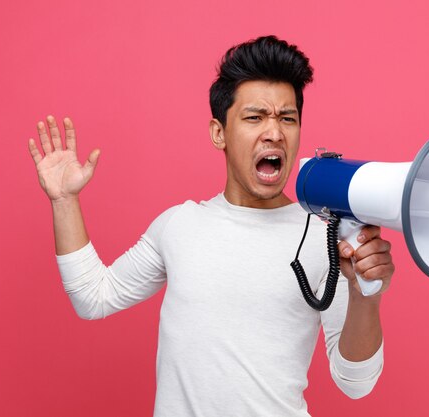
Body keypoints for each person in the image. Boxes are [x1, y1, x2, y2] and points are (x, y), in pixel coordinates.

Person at [27, 35, 395, 417]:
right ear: (218, 133)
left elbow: (356, 384)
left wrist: (364, 294)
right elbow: (93, 297)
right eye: (255, 117)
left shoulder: (325, 237)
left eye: (287, 118)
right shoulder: (178, 225)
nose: (274, 133)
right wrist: (64, 200)